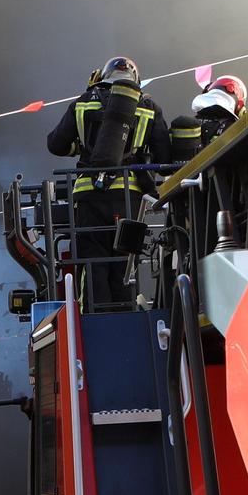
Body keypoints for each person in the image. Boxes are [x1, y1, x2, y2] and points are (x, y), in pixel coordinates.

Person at [46, 55, 171, 310]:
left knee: (93, 264)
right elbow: (165, 156)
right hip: (131, 199)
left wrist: (82, 146)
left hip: (89, 197)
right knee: (126, 265)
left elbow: (56, 144)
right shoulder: (147, 105)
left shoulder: (83, 103)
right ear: (135, 81)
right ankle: (126, 315)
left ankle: (94, 318)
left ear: (103, 76)